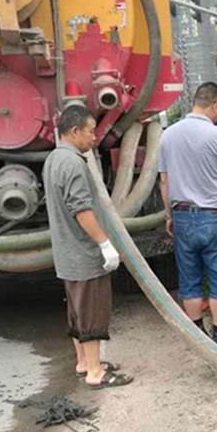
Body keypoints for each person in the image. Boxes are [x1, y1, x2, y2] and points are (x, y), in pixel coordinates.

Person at [43, 104, 133, 389]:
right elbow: (81, 210)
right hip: (84, 254)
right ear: (74, 131)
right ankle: (95, 372)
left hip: (67, 254)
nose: (95, 137)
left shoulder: (54, 159)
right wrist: (104, 244)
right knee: (92, 312)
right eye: (91, 131)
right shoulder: (72, 164)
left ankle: (84, 362)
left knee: (77, 312)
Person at [158, 82, 217, 347]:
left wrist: (169, 216)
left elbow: (164, 182)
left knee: (188, 280)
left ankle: (199, 336)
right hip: (213, 217)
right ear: (214, 105)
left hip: (182, 217)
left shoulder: (168, 135)